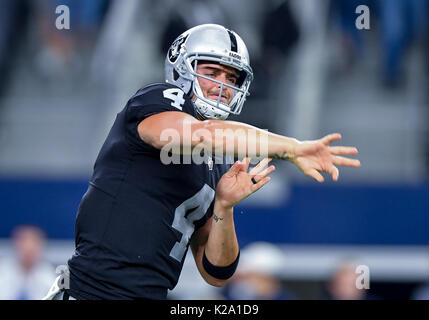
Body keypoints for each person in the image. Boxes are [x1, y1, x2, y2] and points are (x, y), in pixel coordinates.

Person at [44, 24, 360, 300]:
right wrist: (291, 147)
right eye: (212, 72)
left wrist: (224, 206)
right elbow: (200, 135)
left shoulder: (218, 161)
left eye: (232, 77)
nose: (222, 86)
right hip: (92, 292)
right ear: (182, 68)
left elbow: (216, 272)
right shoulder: (158, 100)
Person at [0, 225, 56, 300]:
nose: (28, 256)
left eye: (32, 251)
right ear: (16, 247)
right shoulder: (3, 270)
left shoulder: (48, 275)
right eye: (24, 250)